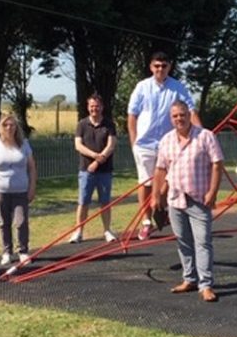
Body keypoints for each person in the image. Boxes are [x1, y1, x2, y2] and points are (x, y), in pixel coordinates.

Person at [151, 100, 223, 302]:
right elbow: (160, 169)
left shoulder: (205, 136)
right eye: (175, 116)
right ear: (170, 118)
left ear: (189, 115)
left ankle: (206, 284)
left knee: (203, 242)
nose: (179, 119)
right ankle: (189, 278)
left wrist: (213, 192)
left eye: (182, 114)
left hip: (199, 198)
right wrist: (156, 195)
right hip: (175, 199)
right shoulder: (166, 140)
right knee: (183, 241)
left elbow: (217, 165)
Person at [128, 51, 201, 240]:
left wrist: (202, 135)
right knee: (146, 182)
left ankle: (164, 211)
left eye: (164, 65)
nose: (160, 69)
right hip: (145, 143)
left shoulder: (177, 87)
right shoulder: (142, 87)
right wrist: (134, 141)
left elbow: (190, 111)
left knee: (171, 179)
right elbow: (132, 115)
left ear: (169, 67)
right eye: (157, 66)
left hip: (169, 143)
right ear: (151, 67)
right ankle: (146, 221)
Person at [0, 113, 38, 265]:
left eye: (12, 125)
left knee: (21, 221)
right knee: (3, 222)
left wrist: (32, 187)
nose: (9, 128)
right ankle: (6, 252)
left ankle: (23, 251)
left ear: (16, 127)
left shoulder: (24, 144)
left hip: (20, 190)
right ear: (0, 127)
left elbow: (32, 168)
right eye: (5, 125)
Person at [69, 93, 117, 243]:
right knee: (83, 202)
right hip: (85, 170)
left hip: (104, 171)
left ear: (102, 107)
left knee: (105, 202)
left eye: (97, 106)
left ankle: (107, 231)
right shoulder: (82, 124)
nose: (94, 109)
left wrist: (98, 160)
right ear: (88, 107)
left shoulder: (109, 125)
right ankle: (79, 231)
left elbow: (111, 145)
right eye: (91, 106)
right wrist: (95, 155)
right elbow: (78, 145)